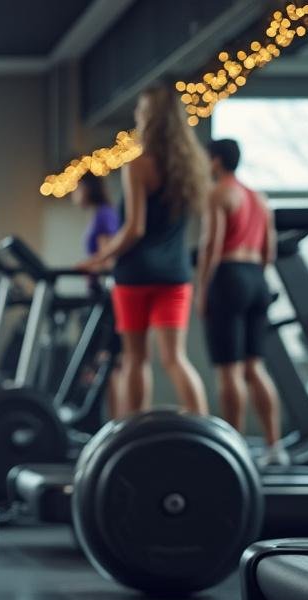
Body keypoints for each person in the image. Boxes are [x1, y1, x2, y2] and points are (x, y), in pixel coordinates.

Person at [79, 85, 209, 418]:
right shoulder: (190, 168)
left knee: (135, 359)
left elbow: (135, 228)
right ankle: (205, 430)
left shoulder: (138, 164)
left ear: (149, 119)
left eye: (140, 111)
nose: (137, 115)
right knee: (175, 358)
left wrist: (101, 258)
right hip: (175, 274)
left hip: (135, 275)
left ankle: (134, 431)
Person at [197, 138, 288, 466]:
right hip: (256, 278)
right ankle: (274, 446)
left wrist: (202, 289)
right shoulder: (259, 199)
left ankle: (233, 448)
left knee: (229, 371)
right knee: (254, 367)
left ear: (217, 161)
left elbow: (211, 244)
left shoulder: (219, 193)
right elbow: (269, 252)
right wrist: (254, 280)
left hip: (228, 274)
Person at [72, 172, 124, 418]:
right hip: (98, 295)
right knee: (105, 364)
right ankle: (109, 423)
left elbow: (108, 260)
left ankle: (115, 423)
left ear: (88, 188)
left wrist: (87, 265)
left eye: (77, 189)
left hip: (106, 296)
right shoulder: (99, 215)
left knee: (109, 363)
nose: (74, 195)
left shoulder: (104, 215)